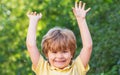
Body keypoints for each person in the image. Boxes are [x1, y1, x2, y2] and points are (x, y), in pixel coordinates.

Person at [26, 1, 92, 75]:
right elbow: (31, 46)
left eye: (64, 51)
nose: (59, 56)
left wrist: (81, 20)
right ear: (47, 54)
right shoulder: (42, 67)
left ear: (71, 53)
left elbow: (88, 47)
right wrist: (33, 21)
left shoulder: (77, 67)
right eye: (54, 52)